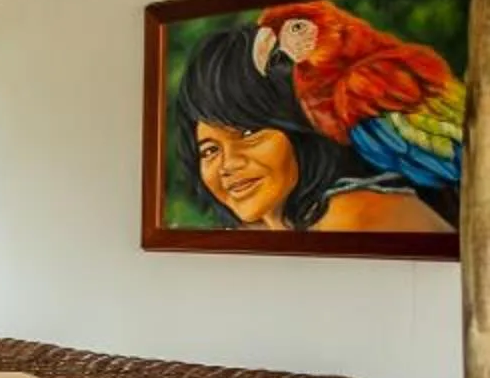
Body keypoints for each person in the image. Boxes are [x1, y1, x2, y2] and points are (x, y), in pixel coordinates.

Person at [174, 27, 448, 234]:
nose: (228, 164)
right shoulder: (263, 231)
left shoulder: (353, 215)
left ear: (299, 126)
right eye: (209, 150)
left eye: (248, 134)